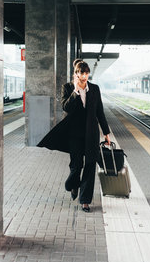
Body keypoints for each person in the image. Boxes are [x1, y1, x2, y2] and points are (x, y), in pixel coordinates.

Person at [38, 60, 111, 212]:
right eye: (80, 73)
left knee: (90, 165)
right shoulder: (68, 88)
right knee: (77, 165)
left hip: (91, 133)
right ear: (76, 73)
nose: (83, 76)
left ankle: (85, 200)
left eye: (86, 73)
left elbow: (100, 112)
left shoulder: (95, 89)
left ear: (88, 73)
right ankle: (72, 184)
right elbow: (66, 107)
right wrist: (76, 92)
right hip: (74, 134)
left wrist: (106, 133)